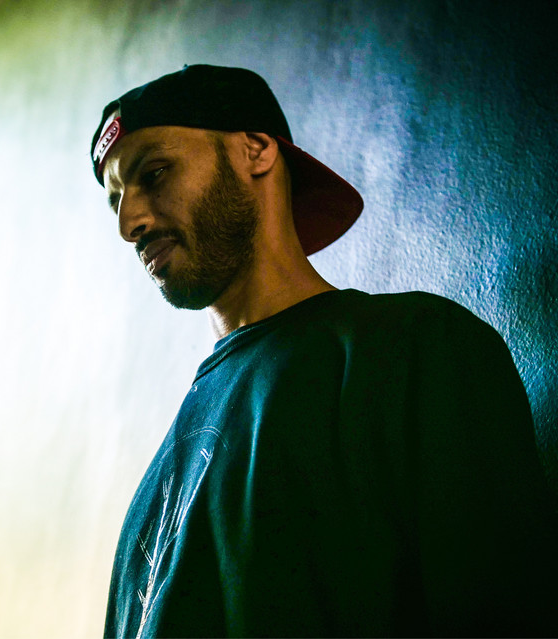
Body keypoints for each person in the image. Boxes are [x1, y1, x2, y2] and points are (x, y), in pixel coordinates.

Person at [90, 65, 557, 638]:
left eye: (154, 173)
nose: (129, 223)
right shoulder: (155, 491)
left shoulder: (410, 349)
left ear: (256, 149)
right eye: (115, 200)